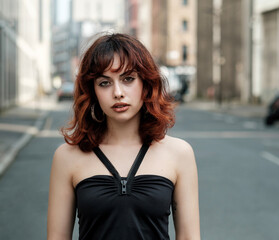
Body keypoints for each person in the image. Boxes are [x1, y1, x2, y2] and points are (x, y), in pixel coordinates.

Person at [47, 33, 200, 239]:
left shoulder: (179, 153)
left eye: (128, 79)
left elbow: (189, 237)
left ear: (146, 84)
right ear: (92, 91)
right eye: (104, 83)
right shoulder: (67, 157)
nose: (118, 92)